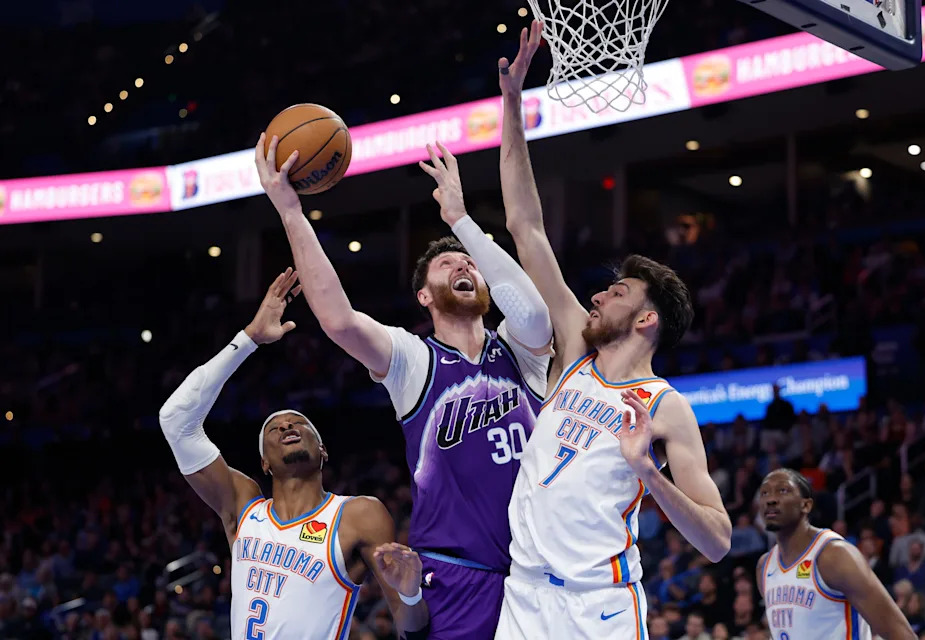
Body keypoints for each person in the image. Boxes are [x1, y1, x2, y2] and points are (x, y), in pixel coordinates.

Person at [255, 118, 552, 639]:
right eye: (448, 265)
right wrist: (290, 211)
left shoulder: (521, 349)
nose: (464, 267)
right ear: (423, 296)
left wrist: (462, 222)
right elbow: (339, 320)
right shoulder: (415, 361)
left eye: (471, 264)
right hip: (459, 578)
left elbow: (534, 314)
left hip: (541, 572)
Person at [494, 21, 731, 639]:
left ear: (647, 319)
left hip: (598, 607)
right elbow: (525, 226)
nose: (598, 296)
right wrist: (512, 103)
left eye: (618, 292)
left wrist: (649, 473)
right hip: (522, 597)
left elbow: (717, 541)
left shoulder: (665, 407)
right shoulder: (576, 345)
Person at [158, 271, 429, 640]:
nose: (287, 425)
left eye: (300, 423)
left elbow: (410, 626)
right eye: (274, 428)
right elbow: (175, 419)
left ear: (323, 450)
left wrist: (411, 595)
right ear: (264, 463)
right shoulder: (243, 507)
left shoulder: (358, 515)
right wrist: (249, 339)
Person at [756, 468, 917, 640]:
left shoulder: (834, 555)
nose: (770, 499)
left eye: (782, 490)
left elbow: (900, 633)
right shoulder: (764, 567)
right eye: (764, 493)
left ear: (806, 505)